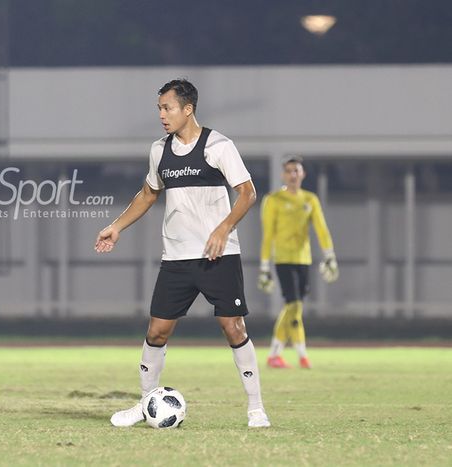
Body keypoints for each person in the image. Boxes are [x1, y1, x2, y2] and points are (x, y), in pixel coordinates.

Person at [94, 79, 270, 428]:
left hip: (217, 255)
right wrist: (117, 226)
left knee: (233, 327)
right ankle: (146, 404)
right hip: (176, 258)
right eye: (159, 108)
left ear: (187, 109)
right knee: (157, 331)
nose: (161, 115)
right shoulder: (159, 150)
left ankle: (256, 408)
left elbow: (248, 193)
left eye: (167, 108)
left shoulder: (218, 146)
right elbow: (147, 193)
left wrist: (223, 228)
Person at [258, 156, 338, 369]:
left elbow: (321, 229)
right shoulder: (273, 200)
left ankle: (276, 354)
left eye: (297, 171)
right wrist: (264, 267)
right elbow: (268, 235)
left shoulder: (310, 200)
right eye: (289, 171)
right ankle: (301, 354)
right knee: (293, 304)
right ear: (283, 174)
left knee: (295, 307)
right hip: (283, 259)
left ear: (303, 174)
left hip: (304, 259)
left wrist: (329, 255)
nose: (293, 175)